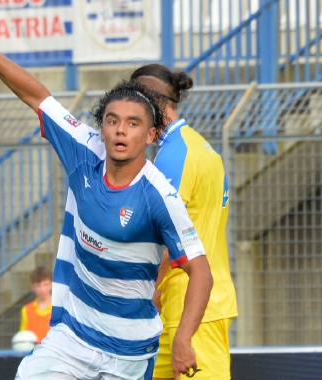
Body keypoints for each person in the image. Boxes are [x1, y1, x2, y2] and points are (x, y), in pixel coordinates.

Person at [0, 12, 213, 380]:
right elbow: (36, 94)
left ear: (150, 136)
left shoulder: (159, 195)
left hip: (129, 352)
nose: (120, 130)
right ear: (101, 127)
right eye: (112, 120)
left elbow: (201, 271)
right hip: (73, 339)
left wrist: (183, 339)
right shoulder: (84, 150)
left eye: (133, 124)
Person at [129, 64, 238, 380]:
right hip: (183, 306)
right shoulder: (198, 146)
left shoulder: (173, 155)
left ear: (150, 103)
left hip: (193, 309)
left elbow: (169, 239)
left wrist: (146, 295)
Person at [20, 266, 53, 345]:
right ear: (32, 287)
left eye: (45, 284)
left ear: (51, 284)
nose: (42, 289)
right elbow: (22, 338)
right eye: (38, 285)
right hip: (33, 354)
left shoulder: (59, 308)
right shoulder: (26, 310)